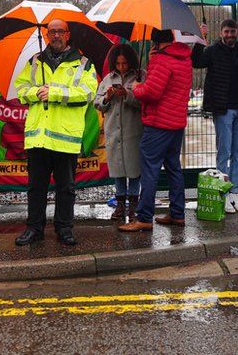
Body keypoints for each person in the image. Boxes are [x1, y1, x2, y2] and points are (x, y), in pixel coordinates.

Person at [13, 19, 98, 246]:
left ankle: (64, 228)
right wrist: (35, 92)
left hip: (65, 138)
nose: (56, 35)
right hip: (38, 138)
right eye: (52, 32)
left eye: (60, 31)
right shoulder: (34, 62)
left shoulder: (83, 63)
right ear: (47, 35)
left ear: (68, 34)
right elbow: (20, 90)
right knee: (36, 188)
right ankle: (34, 229)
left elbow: (87, 93)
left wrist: (55, 92)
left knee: (66, 188)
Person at [120, 29, 193, 232]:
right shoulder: (184, 58)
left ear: (156, 42)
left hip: (158, 124)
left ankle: (144, 217)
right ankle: (178, 214)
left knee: (150, 170)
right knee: (173, 168)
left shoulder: (162, 60)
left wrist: (136, 86)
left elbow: (152, 92)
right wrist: (154, 61)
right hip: (176, 123)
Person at [193, 19, 238, 213]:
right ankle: (223, 193)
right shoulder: (212, 51)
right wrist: (200, 39)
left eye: (232, 31)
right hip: (223, 109)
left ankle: (234, 193)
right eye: (226, 32)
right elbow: (196, 61)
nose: (229, 35)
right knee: (224, 152)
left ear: (237, 32)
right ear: (221, 33)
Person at [94, 44, 144, 221]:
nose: (121, 67)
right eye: (118, 64)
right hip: (113, 132)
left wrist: (127, 95)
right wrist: (107, 97)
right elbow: (97, 102)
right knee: (118, 169)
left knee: (134, 168)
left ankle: (134, 205)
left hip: (133, 130)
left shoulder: (140, 76)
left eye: (124, 63)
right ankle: (120, 205)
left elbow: (145, 101)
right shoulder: (107, 78)